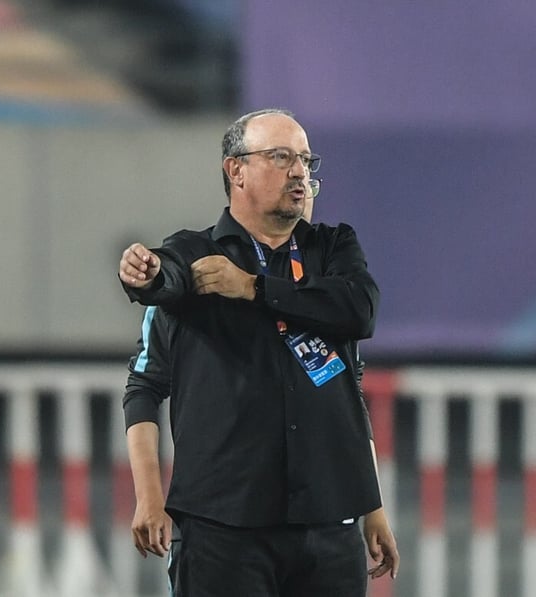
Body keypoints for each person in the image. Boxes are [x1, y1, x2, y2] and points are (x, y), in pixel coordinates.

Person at [119, 108, 398, 596]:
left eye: (306, 160)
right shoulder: (197, 250)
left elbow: (358, 318)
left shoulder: (333, 250)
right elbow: (167, 279)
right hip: (223, 527)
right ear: (236, 170)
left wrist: (371, 508)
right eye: (281, 157)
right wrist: (145, 273)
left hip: (329, 525)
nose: (299, 171)